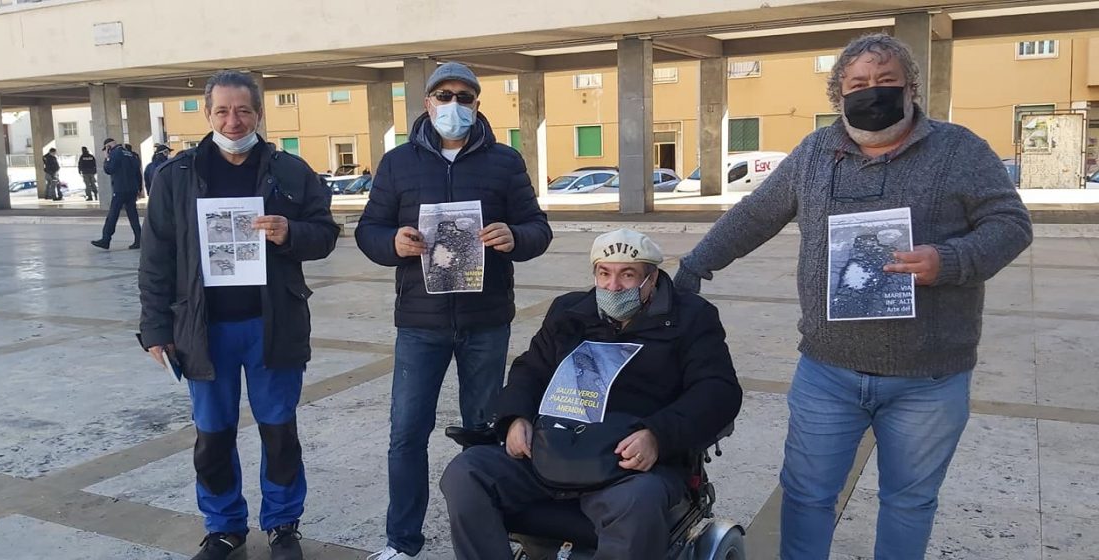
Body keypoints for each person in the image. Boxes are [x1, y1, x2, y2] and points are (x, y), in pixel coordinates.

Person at [673, 33, 1033, 560]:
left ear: (911, 88)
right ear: (837, 95)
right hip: (828, 372)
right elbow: (756, 214)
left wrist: (949, 261)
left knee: (909, 501)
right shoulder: (816, 153)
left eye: (886, 81)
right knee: (806, 495)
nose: (872, 91)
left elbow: (1011, 224)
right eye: (857, 83)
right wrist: (694, 264)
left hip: (928, 378)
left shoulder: (960, 150)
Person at [440, 228, 741, 560]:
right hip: (552, 451)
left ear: (651, 278)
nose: (613, 286)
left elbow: (718, 391)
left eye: (627, 275)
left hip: (630, 465)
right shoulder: (570, 313)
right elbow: (530, 369)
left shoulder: (691, 318)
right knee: (466, 473)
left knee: (637, 503)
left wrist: (658, 435)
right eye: (604, 274)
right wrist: (515, 418)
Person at [138, 70, 340, 560]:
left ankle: (283, 524)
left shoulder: (290, 171)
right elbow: (156, 258)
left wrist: (290, 232)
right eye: (223, 110)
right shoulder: (176, 176)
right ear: (207, 114)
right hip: (203, 330)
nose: (233, 120)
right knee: (213, 434)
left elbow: (325, 234)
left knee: (278, 429)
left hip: (272, 325)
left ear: (258, 113)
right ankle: (224, 526)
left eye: (243, 110)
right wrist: (156, 329)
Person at [355, 62, 552, 560]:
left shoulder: (505, 162)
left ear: (477, 105)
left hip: (486, 321)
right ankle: (402, 541)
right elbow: (368, 230)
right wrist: (392, 242)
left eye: (465, 97)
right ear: (427, 103)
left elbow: (537, 228)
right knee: (406, 434)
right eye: (444, 95)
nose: (454, 105)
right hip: (420, 324)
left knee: (485, 435)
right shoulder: (398, 163)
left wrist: (515, 237)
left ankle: (491, 536)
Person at [90, 138, 143, 250]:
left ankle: (106, 239)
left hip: (120, 189)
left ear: (108, 146)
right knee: (133, 215)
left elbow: (109, 169)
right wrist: (139, 188)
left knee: (113, 214)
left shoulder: (114, 153)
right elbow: (138, 172)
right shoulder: (130, 154)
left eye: (106, 148)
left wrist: (106, 158)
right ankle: (139, 239)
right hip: (132, 189)